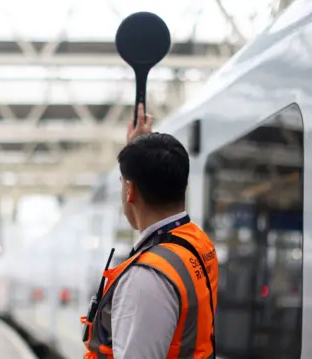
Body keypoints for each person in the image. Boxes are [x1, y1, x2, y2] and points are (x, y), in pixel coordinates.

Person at [81, 104, 219, 359]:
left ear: (131, 191)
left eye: (122, 182)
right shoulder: (196, 243)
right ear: (183, 185)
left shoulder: (145, 280)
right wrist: (138, 154)